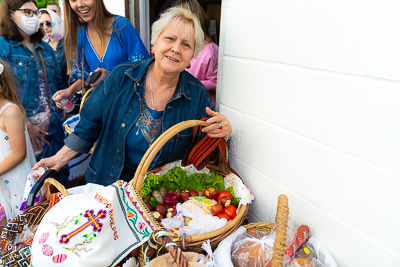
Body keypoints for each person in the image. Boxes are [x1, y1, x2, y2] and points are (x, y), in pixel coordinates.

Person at [33, 7, 232, 186]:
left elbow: (205, 144)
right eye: (170, 39)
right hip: (108, 183)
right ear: (155, 43)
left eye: (186, 45)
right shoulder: (121, 76)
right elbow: (88, 126)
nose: (176, 49)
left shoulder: (196, 94)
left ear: (192, 56)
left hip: (156, 194)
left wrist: (222, 130)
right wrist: (59, 159)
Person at [0, 0, 69, 183]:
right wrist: (25, 125)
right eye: (27, 12)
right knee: (32, 190)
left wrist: (63, 102)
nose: (33, 17)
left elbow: (58, 83)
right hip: (22, 133)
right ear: (9, 13)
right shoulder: (3, 47)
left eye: (35, 12)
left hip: (53, 131)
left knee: (57, 181)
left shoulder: (44, 47)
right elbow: (3, 93)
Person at [52, 0, 150, 105]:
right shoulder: (80, 34)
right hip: (99, 107)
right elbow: (84, 77)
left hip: (127, 105)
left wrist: (113, 77)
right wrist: (69, 91)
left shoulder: (121, 26)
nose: (79, 4)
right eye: (73, 0)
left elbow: (143, 70)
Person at [0, 60, 36, 222]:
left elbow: (19, 153)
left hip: (17, 183)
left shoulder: (9, 112)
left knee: (22, 229)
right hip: (3, 183)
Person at [174, 0, 218, 106]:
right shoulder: (178, 47)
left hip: (199, 105)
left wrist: (190, 83)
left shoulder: (210, 51)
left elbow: (216, 83)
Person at [39, 9, 68, 85]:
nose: (45, 27)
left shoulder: (69, 41)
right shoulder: (41, 46)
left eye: (48, 23)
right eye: (41, 24)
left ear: (56, 21)